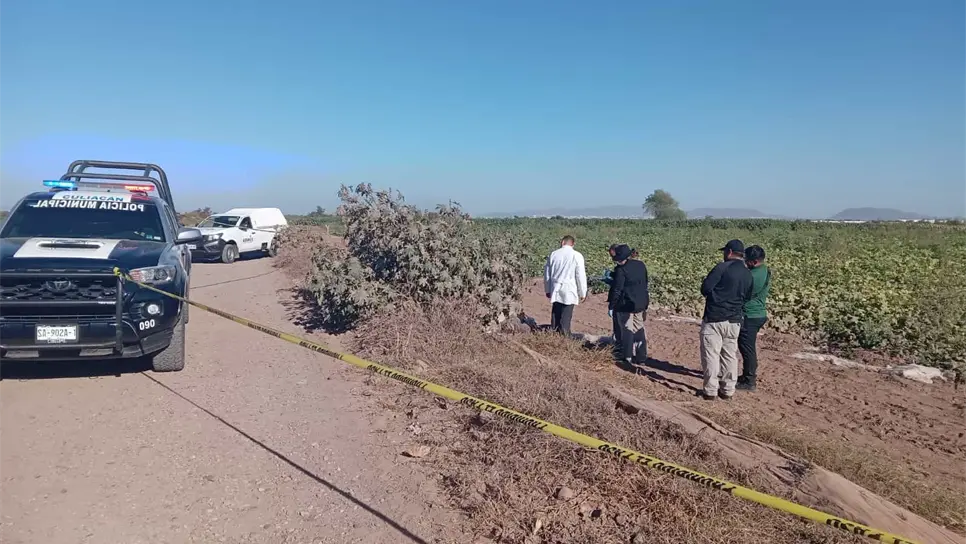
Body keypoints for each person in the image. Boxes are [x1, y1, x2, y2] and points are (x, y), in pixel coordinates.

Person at [698, 239, 754, 400]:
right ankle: (728, 391)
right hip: (735, 320)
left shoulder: (721, 268)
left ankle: (710, 391)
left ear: (729, 252)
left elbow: (705, 289)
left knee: (711, 355)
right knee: (730, 355)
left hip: (714, 318)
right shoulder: (747, 273)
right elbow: (748, 297)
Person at [608, 244, 649, 365]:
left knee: (627, 330)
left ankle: (627, 356)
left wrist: (612, 305)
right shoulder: (640, 265)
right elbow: (645, 281)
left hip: (626, 305)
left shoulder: (621, 270)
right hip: (640, 303)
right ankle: (641, 357)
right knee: (639, 329)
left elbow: (617, 290)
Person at [737, 245, 770, 392]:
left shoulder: (753, 276)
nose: (745, 262)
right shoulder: (764, 270)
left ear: (755, 261)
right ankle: (746, 376)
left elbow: (742, 293)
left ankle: (749, 381)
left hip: (751, 315)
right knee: (746, 347)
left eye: (747, 260)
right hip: (758, 313)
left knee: (747, 349)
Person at [544, 235, 588, 335]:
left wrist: (547, 290)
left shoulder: (553, 254)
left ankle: (554, 336)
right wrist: (582, 292)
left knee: (556, 313)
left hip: (555, 287)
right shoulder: (576, 255)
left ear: (562, 242)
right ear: (573, 244)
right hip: (569, 288)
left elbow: (547, 274)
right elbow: (580, 275)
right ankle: (564, 338)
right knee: (566, 316)